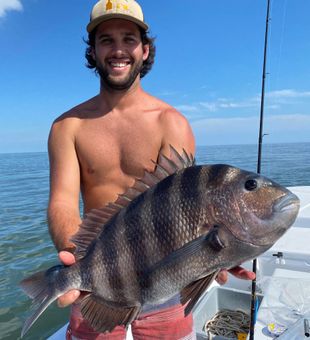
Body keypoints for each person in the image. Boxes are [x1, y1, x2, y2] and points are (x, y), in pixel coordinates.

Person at [47, 0, 255, 339]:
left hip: (167, 284)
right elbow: (62, 203)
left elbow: (190, 210)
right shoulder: (67, 127)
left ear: (145, 50)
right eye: (106, 40)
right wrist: (78, 264)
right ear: (94, 51)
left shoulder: (171, 124)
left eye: (128, 39)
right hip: (96, 288)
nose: (118, 50)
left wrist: (222, 251)